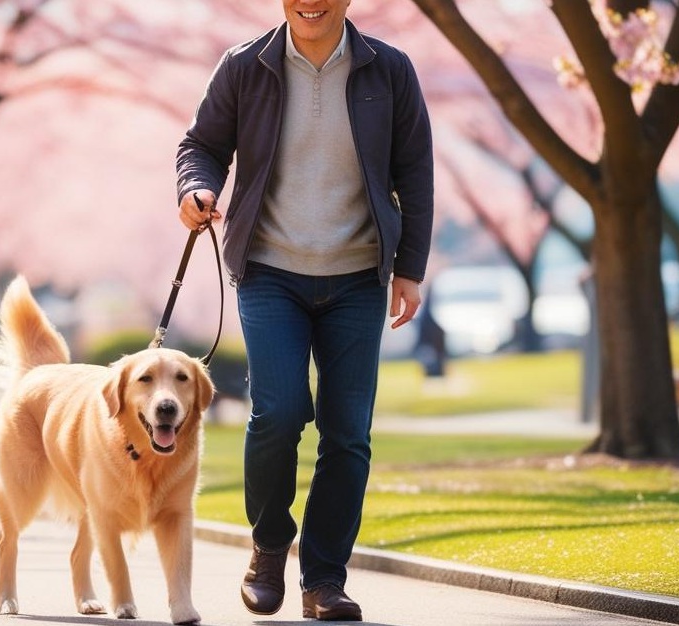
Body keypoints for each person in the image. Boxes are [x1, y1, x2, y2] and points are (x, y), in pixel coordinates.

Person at [174, 1, 433, 621]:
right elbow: (201, 144)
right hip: (269, 272)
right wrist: (194, 187)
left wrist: (410, 268)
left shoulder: (389, 71)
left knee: (348, 433)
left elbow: (415, 171)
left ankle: (324, 579)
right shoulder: (244, 66)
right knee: (279, 413)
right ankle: (267, 547)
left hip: (357, 278)